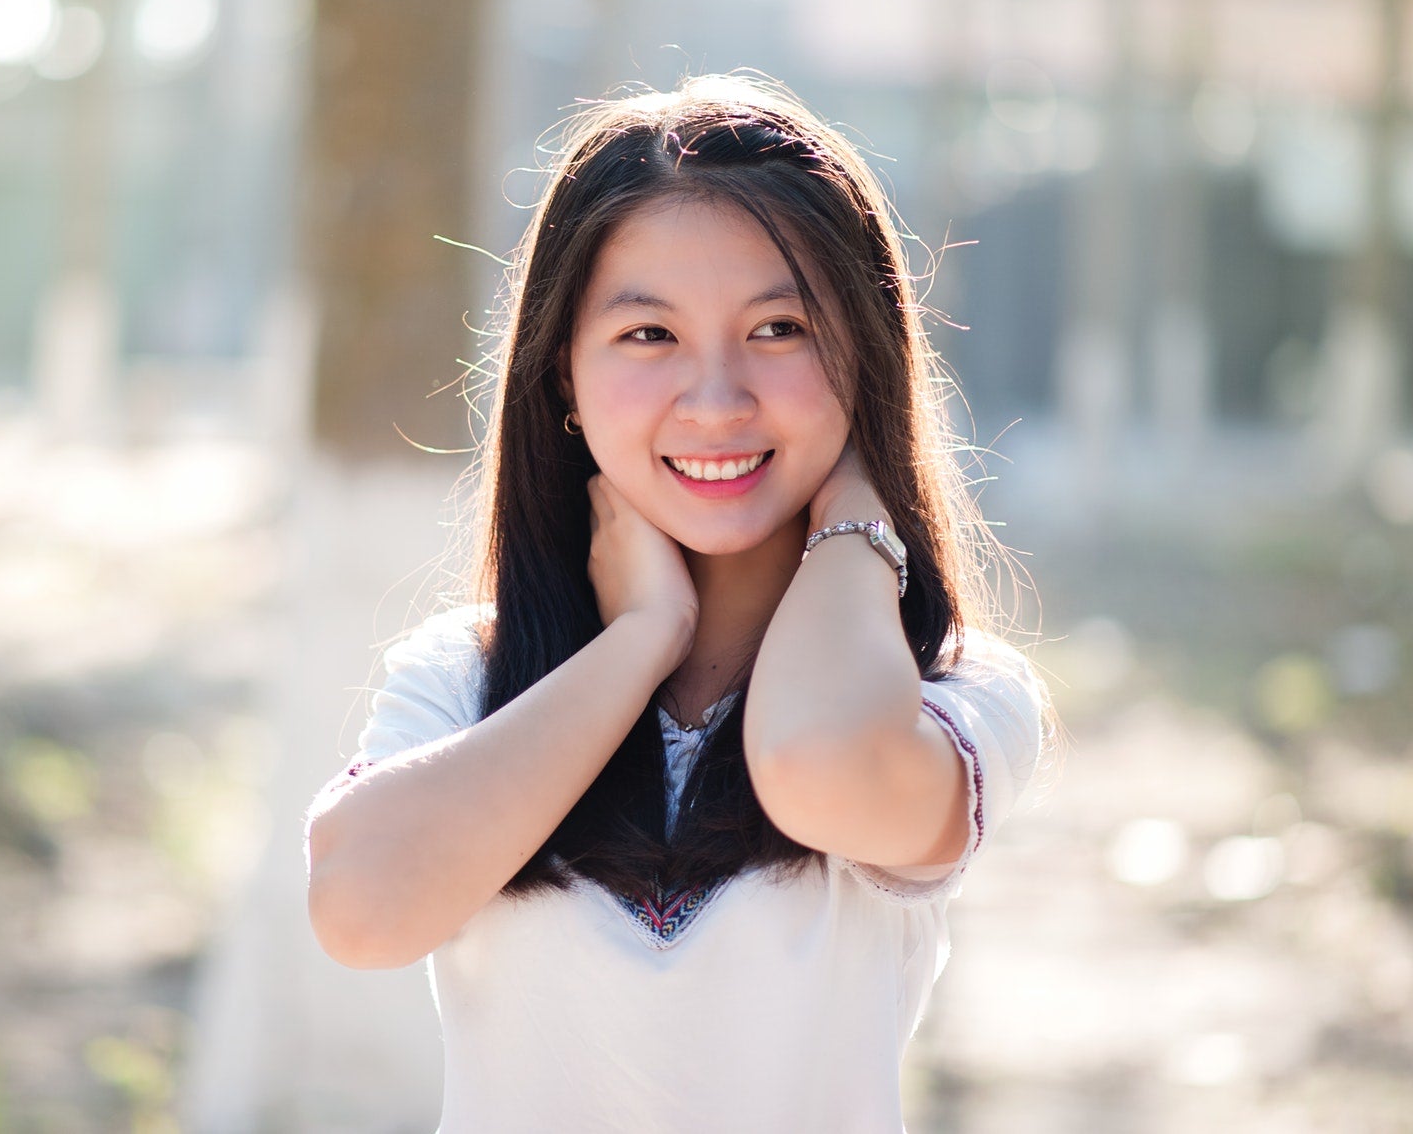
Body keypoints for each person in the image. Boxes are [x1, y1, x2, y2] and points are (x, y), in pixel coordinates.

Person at [303, 73, 1054, 1134]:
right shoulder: (466, 680)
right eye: (648, 335)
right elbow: (360, 908)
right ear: (562, 376)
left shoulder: (950, 690)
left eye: (781, 329)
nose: (716, 398)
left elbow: (819, 765)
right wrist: (642, 640)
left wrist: (855, 513)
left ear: (864, 362)